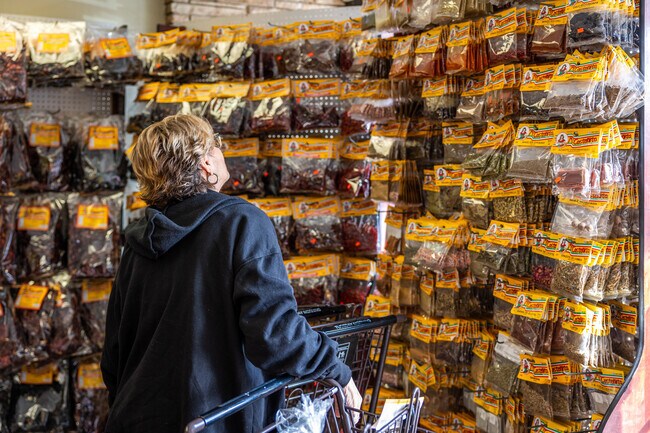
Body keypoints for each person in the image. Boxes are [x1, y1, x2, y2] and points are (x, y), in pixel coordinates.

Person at [101, 114, 362, 433]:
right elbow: (274, 334)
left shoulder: (136, 241)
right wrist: (336, 368)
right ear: (206, 165)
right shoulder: (242, 222)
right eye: (216, 146)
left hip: (134, 418)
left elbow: (114, 351)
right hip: (211, 421)